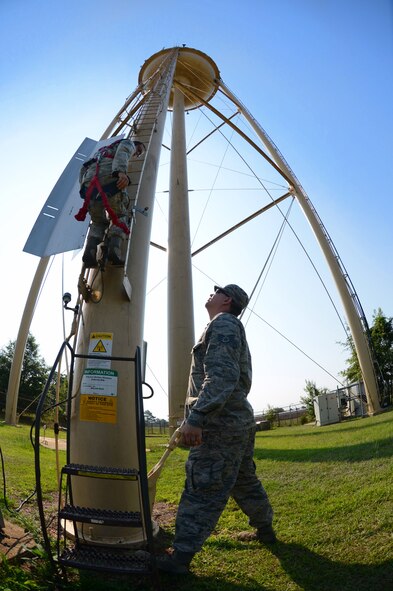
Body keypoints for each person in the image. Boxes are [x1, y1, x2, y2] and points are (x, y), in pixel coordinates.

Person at [158, 284, 276, 575]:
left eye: (218, 290)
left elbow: (222, 377)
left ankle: (179, 559)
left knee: (203, 485)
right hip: (236, 421)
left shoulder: (223, 323)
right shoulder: (226, 325)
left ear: (228, 300)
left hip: (219, 424)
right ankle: (266, 530)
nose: (211, 292)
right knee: (244, 479)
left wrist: (197, 418)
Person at [75, 137, 145, 267]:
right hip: (109, 182)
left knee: (98, 221)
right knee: (120, 216)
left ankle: (90, 252)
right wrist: (120, 172)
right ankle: (115, 249)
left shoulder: (100, 153)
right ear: (136, 144)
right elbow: (123, 153)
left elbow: (83, 169)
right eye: (139, 150)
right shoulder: (127, 143)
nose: (137, 154)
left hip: (89, 188)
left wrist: (83, 187)